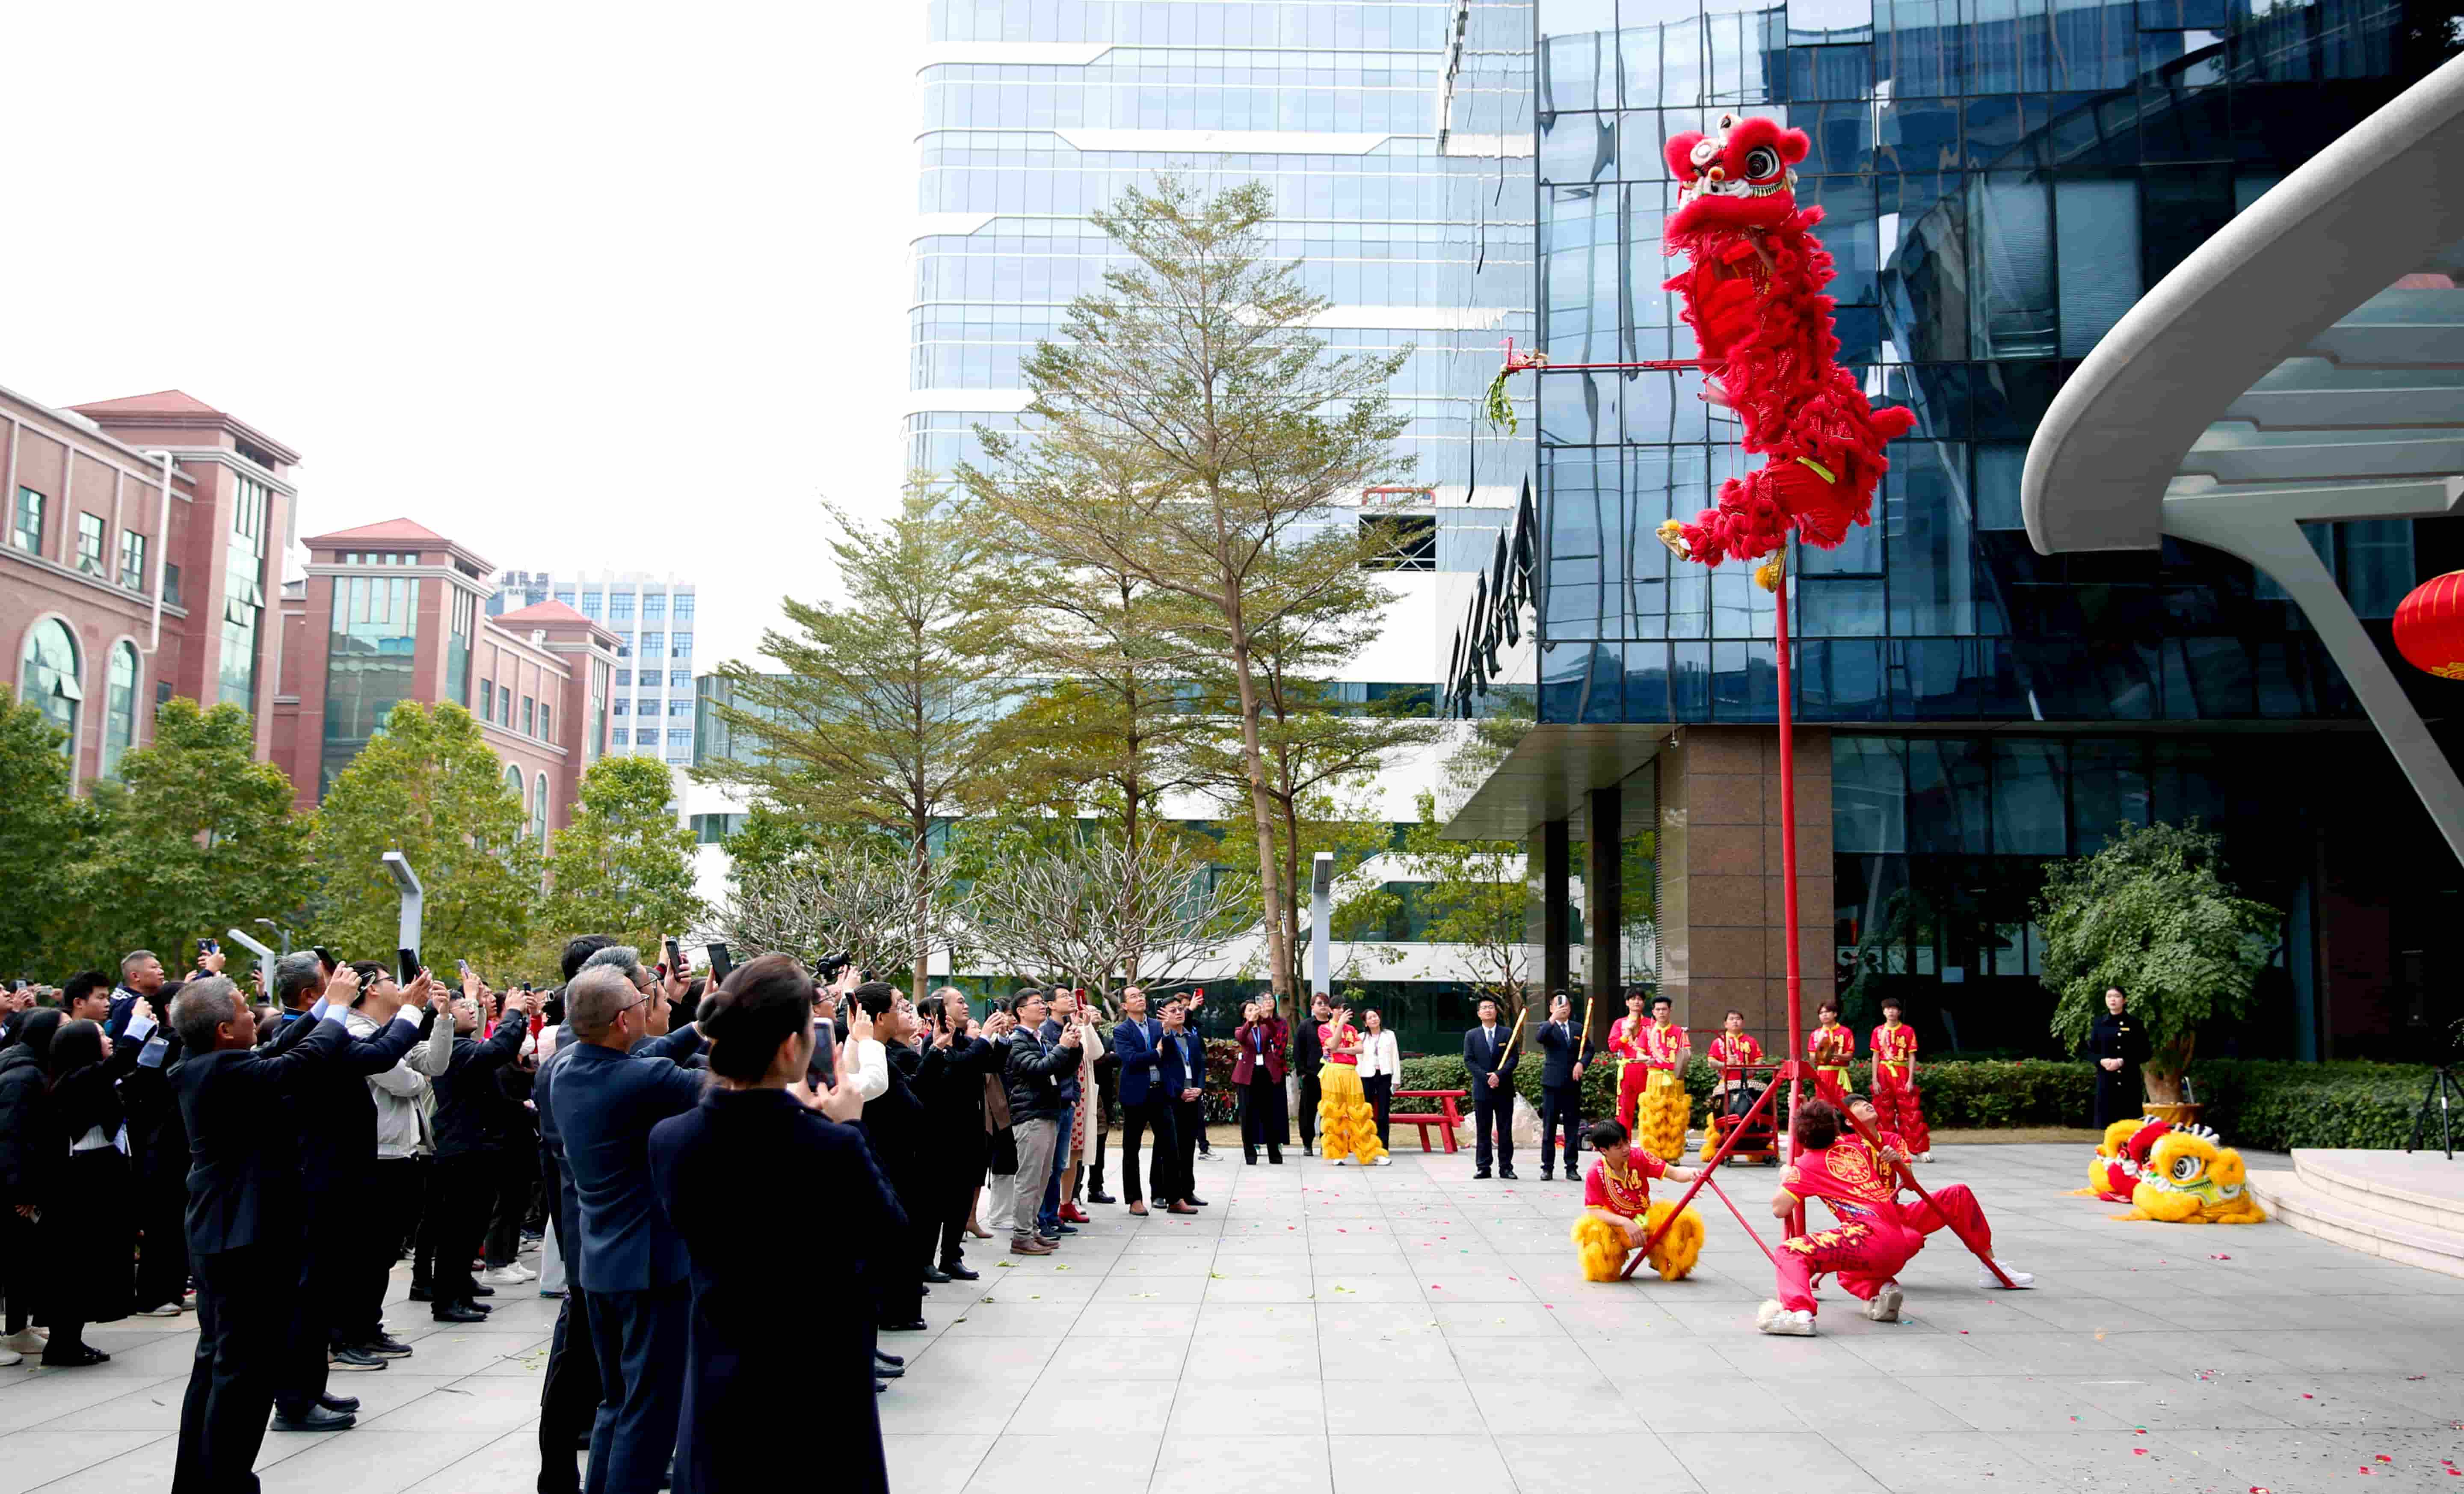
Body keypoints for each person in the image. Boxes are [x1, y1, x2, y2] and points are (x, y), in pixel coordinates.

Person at [650, 954, 895, 1494]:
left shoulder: (671, 1139)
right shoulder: (830, 1145)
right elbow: (890, 1241)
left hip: (720, 1363)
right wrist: (851, 1128)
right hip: (817, 1370)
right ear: (790, 1047)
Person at [166, 973, 360, 1492]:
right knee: (244, 1373)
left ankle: (199, 1480)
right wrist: (339, 1008)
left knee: (217, 1364)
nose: (255, 1016)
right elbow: (299, 1062)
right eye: (244, 1011)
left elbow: (278, 1048)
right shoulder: (222, 1070)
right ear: (225, 1030)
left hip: (221, 1232)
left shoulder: (203, 1062)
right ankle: (225, 1480)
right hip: (245, 1237)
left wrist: (323, 1006)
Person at [548, 960, 709, 1494]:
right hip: (651, 1268)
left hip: (601, 1263)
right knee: (651, 1414)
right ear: (623, 1021)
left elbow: (651, 1054)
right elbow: (724, 1084)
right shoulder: (643, 1080)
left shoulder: (567, 1069)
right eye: (644, 1002)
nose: (650, 1007)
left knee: (616, 1404)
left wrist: (698, 1025)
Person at [260, 954, 432, 1423]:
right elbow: (376, 1056)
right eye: (333, 980)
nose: (348, 984)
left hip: (333, 1177)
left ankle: (309, 1389)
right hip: (317, 1180)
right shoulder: (312, 1036)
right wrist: (412, 1009)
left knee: (321, 1290)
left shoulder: (322, 1031)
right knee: (310, 1293)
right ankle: (296, 1399)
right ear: (312, 996)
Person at [338, 962, 454, 1361]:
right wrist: (420, 1080)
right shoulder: (354, 1029)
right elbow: (404, 1081)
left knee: (383, 1251)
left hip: (402, 1153)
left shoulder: (394, 1029)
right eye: (391, 981)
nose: (400, 987)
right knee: (366, 1252)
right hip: (374, 1156)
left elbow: (435, 1064)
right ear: (371, 988)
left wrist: (443, 1018)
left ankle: (367, 1327)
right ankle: (348, 1335)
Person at [1757, 1099, 1925, 1337]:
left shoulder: (1807, 1165)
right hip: (1897, 1240)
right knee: (1846, 1272)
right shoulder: (1855, 1149)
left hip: (1867, 1236)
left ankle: (1799, 1314)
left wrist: (1787, 1176)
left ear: (1802, 1138)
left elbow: (1779, 1209)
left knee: (1790, 1252)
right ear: (1835, 1128)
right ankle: (1883, 1289)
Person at [41, 1012, 154, 1364]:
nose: (109, 1040)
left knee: (89, 1265)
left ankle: (70, 1341)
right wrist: (137, 1024)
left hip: (100, 1178)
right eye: (102, 1036)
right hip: (84, 1184)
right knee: (77, 1265)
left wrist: (155, 1037)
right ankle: (62, 1344)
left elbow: (134, 1077)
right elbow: (120, 1062)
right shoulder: (77, 1080)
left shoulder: (92, 1080)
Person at [426, 971, 539, 1326]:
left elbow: (493, 1045)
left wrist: (515, 1015)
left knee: (472, 1224)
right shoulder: (452, 1050)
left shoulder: (464, 1044)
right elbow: (497, 1049)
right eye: (463, 1006)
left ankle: (460, 1290)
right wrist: (513, 1013)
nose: (472, 1010)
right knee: (458, 1229)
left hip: (478, 1144)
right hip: (462, 1148)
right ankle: (447, 1299)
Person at [1842, 1095, 2031, 1289]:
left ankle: (1991, 1267)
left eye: (1866, 1102)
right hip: (1867, 1220)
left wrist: (1897, 1161)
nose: (1866, 1105)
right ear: (1849, 1121)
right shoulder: (1844, 1146)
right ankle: (1872, 1275)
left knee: (1959, 1194)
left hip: (1896, 1214)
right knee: (1906, 1240)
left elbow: (1910, 1182)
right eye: (1857, 1105)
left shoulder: (1893, 1140)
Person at [852, 982, 933, 1329]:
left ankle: (896, 1313)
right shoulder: (868, 1053)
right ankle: (890, 1315)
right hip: (884, 1156)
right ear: (880, 1018)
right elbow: (882, 1090)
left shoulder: (882, 1052)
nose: (906, 1012)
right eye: (899, 1006)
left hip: (900, 1157)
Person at [0, 1007, 64, 1362]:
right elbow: (13, 1136)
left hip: (16, 1183)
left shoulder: (33, 1069)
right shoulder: (22, 1076)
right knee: (12, 1260)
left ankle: (18, 1329)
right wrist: (22, 1191)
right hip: (11, 1187)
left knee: (20, 1260)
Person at [1572, 1118, 1705, 1281]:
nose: (1626, 1149)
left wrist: (1692, 1174)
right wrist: (1624, 1223)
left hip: (1646, 1219)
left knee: (1684, 1222)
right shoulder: (1596, 1172)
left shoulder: (1640, 1156)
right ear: (1604, 1150)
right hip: (1616, 1228)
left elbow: (1674, 1173)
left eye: (1627, 1142)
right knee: (1594, 1236)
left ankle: (1660, 1258)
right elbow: (1594, 1210)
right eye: (1619, 1146)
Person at [924, 990, 998, 1279]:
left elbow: (991, 1063)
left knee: (962, 1197)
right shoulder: (934, 1042)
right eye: (959, 1002)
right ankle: (926, 1260)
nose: (966, 1006)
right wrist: (984, 1039)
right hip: (943, 1133)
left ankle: (952, 1257)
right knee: (938, 1200)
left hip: (971, 1130)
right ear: (941, 1010)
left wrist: (998, 1038)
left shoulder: (966, 1040)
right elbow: (959, 1066)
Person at [1001, 990, 1078, 1255]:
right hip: (1031, 1115)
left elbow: (1062, 1069)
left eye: (1042, 1003)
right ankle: (1021, 1236)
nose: (1042, 1007)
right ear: (1021, 1011)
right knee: (1029, 1179)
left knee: (1043, 1178)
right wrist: (1062, 1047)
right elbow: (1038, 1069)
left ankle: (1033, 1229)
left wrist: (1074, 1048)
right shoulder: (1017, 1041)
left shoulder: (1040, 1038)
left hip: (1048, 1112)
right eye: (1036, 1003)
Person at [1111, 987, 1182, 1216]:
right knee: (1132, 1149)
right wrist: (1156, 1053)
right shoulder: (1121, 1031)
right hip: (1136, 1095)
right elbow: (1130, 1059)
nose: (1140, 999)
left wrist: (1167, 1033)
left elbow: (1171, 1054)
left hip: (1160, 1093)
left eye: (1141, 995)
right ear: (1124, 1006)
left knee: (1171, 1147)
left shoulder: (1157, 1025)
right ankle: (1135, 1200)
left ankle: (1175, 1198)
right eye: (1134, 997)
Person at [1313, 1003, 1387, 1167]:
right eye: (1339, 1008)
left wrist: (1340, 1051)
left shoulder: (1352, 1029)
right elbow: (1332, 1045)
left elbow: (1360, 1049)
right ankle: (1337, 1154)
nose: (1343, 1011)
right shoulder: (1324, 1028)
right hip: (1333, 1072)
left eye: (1344, 1008)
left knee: (1359, 1112)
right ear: (1332, 1010)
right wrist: (1340, 1025)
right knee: (1334, 1113)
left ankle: (1370, 1152)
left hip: (1351, 1072)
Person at [1700, 1010, 1770, 1163]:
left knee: (1749, 1118)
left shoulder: (1751, 1041)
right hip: (1726, 1084)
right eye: (1731, 1019)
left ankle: (1754, 1148)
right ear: (1725, 1024)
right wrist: (1726, 1064)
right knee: (1722, 1120)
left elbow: (1759, 1059)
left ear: (1743, 1023)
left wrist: (1752, 1069)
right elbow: (1711, 1062)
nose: (1735, 1022)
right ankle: (1720, 1148)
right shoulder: (1719, 1042)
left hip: (1748, 1086)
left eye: (1738, 1019)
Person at [1867, 997, 1931, 1162]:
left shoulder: (1908, 1031)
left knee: (1910, 1111)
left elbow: (1912, 1056)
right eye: (1887, 1009)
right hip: (1883, 1072)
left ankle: (1919, 1150)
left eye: (1894, 1009)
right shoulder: (1878, 1031)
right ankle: (1885, 1148)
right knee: (1883, 1112)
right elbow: (1875, 1056)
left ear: (1899, 1012)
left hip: (1902, 1071)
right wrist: (1875, 1080)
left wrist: (1910, 1080)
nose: (1891, 1011)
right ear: (1883, 1012)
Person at [1157, 995, 1206, 1207]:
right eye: (1173, 1011)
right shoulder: (1163, 1038)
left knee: (1188, 1147)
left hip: (1193, 1096)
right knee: (1167, 1149)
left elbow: (1200, 1067)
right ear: (1163, 1015)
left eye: (1181, 1009)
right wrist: (1179, 1092)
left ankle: (1188, 1191)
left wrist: (1199, 1088)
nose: (1179, 1013)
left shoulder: (1192, 1038)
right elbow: (1163, 1070)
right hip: (1172, 1098)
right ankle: (1162, 1193)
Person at [1463, 997, 1518, 1180]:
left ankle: (1506, 1167)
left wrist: (1498, 1075)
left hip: (1504, 1089)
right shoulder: (1472, 1035)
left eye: (1491, 1007)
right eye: (1484, 1008)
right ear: (1479, 1013)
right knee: (1483, 1130)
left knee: (1505, 1130)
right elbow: (1469, 1060)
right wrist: (1486, 1078)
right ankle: (1483, 1167)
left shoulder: (1507, 1033)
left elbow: (1513, 1059)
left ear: (1496, 1011)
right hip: (1482, 1089)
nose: (1488, 1010)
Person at [1533, 993, 1584, 1180]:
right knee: (1550, 1127)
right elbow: (1540, 1038)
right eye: (1558, 1005)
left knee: (1572, 1127)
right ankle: (1547, 1167)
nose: (1563, 1008)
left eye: (1566, 1005)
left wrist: (1582, 1063)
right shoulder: (1546, 1027)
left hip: (1572, 1084)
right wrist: (1553, 1019)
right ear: (1551, 1008)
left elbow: (1589, 1049)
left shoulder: (1579, 1028)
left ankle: (1571, 1167)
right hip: (1552, 1084)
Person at [1635, 994, 1691, 1163]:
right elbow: (1639, 1054)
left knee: (1675, 1116)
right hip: (1655, 1077)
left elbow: (1687, 1053)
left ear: (1670, 1010)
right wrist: (1647, 1059)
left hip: (1675, 1078)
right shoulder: (1647, 1032)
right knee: (1654, 1116)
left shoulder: (1680, 1032)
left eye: (1664, 1009)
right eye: (1658, 1010)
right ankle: (1652, 1154)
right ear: (1653, 1012)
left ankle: (1673, 1154)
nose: (1661, 1013)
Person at [1232, 998, 1287, 1165]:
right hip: (1247, 1076)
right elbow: (1241, 1037)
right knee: (1247, 1116)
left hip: (1266, 1073)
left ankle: (1274, 1154)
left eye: (1255, 1009)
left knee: (1270, 1114)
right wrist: (1250, 1022)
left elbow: (1275, 1032)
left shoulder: (1265, 1028)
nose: (1253, 1012)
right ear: (1244, 1015)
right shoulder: (1241, 1029)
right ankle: (1250, 1155)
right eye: (1249, 1010)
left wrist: (1266, 1017)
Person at [2088, 988, 2147, 1127]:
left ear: (2124, 1000)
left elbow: (2145, 1052)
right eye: (2109, 996)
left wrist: (2122, 1061)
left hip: (2129, 1082)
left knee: (2130, 1126)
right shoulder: (2099, 1023)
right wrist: (2101, 1061)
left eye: (2117, 996)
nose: (2113, 1000)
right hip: (2107, 1082)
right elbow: (2090, 1051)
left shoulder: (2135, 1024)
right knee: (2106, 1126)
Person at [1607, 988, 1652, 1136]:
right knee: (1625, 1110)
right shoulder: (1620, 1023)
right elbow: (1613, 1046)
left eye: (1640, 999)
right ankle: (1623, 1143)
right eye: (1633, 999)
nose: (1637, 1002)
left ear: (1644, 1003)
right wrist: (1625, 1036)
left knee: (1649, 1108)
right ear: (1627, 1003)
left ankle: (1649, 1143)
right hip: (1628, 1069)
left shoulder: (1651, 1024)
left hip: (1647, 1069)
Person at [1357, 1008, 1400, 1151]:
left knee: (1383, 1113)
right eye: (1370, 1018)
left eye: (1375, 1016)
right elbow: (1358, 1060)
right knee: (1366, 1112)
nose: (1374, 1019)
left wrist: (1396, 1079)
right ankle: (1366, 1144)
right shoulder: (1361, 1037)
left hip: (1384, 1075)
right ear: (1366, 1023)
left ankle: (1383, 1146)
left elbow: (1395, 1057)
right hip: (1366, 1076)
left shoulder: (1390, 1035)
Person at [1292, 994, 1327, 1155]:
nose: (1323, 1006)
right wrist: (1303, 1073)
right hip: (1311, 1075)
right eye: (1319, 1003)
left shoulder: (1335, 1025)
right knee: (1308, 1111)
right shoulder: (1305, 1026)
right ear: (1312, 1007)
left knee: (1329, 1111)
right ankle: (1307, 1143)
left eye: (1326, 1003)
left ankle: (1327, 1142)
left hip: (1331, 1075)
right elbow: (1298, 1051)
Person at [1808, 1000, 1853, 1109]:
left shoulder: (1846, 1032)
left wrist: (1834, 1056)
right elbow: (1812, 1058)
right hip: (1822, 1074)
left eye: (1827, 1012)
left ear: (1835, 1014)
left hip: (1840, 1073)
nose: (1824, 1015)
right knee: (1824, 1105)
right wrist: (1822, 1055)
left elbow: (1850, 1056)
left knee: (1843, 1105)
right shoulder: (1815, 1034)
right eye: (1821, 1013)